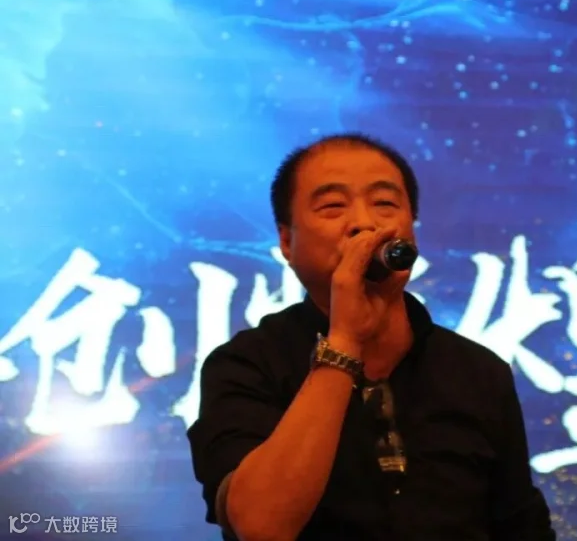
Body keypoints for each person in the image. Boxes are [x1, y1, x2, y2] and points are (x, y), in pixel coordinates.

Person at [186, 133, 556, 541]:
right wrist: (345, 340)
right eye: (333, 206)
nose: (365, 223)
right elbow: (260, 525)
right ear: (287, 241)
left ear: (411, 230)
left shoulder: (478, 372)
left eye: (385, 203)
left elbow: (523, 528)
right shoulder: (246, 365)